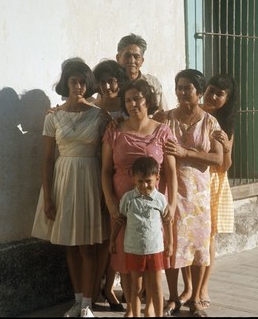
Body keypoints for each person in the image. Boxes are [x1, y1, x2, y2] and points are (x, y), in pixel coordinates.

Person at [31, 58, 112, 318]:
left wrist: (104, 192)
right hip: (63, 179)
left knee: (87, 245)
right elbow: (46, 159)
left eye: (82, 81)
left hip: (89, 179)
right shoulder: (53, 117)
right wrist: (48, 197)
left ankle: (88, 303)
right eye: (72, 81)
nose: (77, 85)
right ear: (65, 84)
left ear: (88, 84)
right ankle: (77, 300)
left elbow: (106, 156)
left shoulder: (100, 116)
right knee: (70, 245)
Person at [102, 79, 178, 317]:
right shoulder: (114, 130)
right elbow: (105, 170)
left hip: (152, 204)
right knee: (125, 255)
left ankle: (152, 309)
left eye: (138, 98)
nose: (133, 103)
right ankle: (131, 309)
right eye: (128, 100)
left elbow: (171, 172)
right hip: (122, 203)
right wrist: (110, 201)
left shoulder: (162, 131)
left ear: (147, 100)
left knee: (151, 251)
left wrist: (172, 204)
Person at [153, 69, 223, 317]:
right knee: (171, 245)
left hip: (199, 194)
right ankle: (172, 296)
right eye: (179, 87)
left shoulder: (210, 122)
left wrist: (186, 153)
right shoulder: (165, 118)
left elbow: (217, 157)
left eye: (188, 88)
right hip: (171, 190)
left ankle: (195, 297)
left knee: (197, 246)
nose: (182, 92)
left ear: (199, 92)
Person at [175, 74, 238, 310]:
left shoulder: (223, 123)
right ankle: (188, 287)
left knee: (206, 237)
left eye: (219, 94)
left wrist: (228, 148)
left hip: (212, 181)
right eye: (210, 90)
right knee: (183, 234)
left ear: (227, 99)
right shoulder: (190, 113)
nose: (213, 96)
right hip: (187, 181)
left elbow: (224, 164)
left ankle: (202, 288)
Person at [110, 156, 173, 317]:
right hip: (134, 249)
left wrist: (170, 243)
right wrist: (112, 239)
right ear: (133, 179)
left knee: (156, 287)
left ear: (157, 178)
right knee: (136, 288)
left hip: (155, 249)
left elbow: (167, 222)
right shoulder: (128, 199)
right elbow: (119, 220)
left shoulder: (160, 199)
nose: (144, 186)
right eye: (139, 181)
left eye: (148, 181)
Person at [90, 59, 129, 312]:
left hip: (123, 176)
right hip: (96, 171)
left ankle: (115, 286)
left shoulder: (128, 106)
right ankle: (99, 287)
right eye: (102, 81)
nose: (107, 85)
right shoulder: (93, 107)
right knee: (103, 235)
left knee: (119, 232)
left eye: (112, 80)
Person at [116, 33, 166, 112]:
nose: (132, 61)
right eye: (127, 56)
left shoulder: (152, 83)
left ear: (142, 61)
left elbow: (163, 112)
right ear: (118, 58)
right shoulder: (111, 85)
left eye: (136, 57)